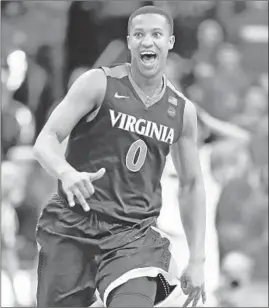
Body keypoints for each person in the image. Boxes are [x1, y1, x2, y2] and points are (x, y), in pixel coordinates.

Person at [34, 6, 206, 307]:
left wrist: (198, 259)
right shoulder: (98, 83)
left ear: (170, 42)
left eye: (156, 34)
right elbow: (45, 140)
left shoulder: (181, 111)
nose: (147, 42)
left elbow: (191, 185)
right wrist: (66, 172)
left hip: (132, 235)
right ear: (129, 42)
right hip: (73, 225)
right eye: (139, 35)